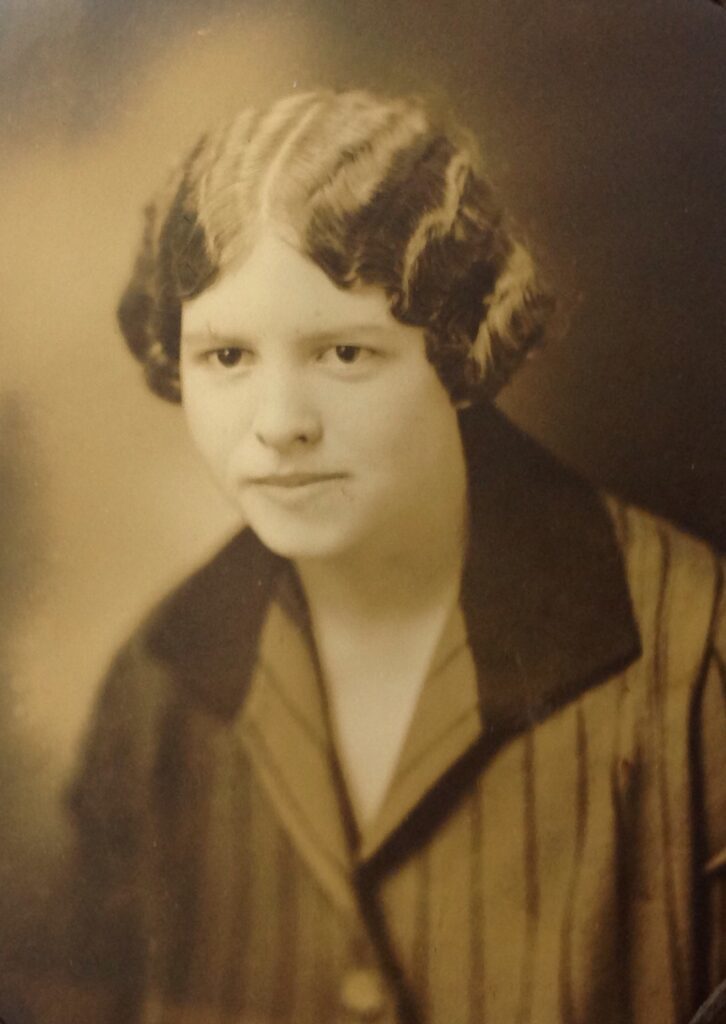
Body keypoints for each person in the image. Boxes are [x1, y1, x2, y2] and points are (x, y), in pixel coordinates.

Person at [67, 89, 725, 1024]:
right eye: (226, 357)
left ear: (458, 351)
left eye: (344, 352)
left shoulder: (697, 655)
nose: (281, 426)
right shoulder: (157, 687)